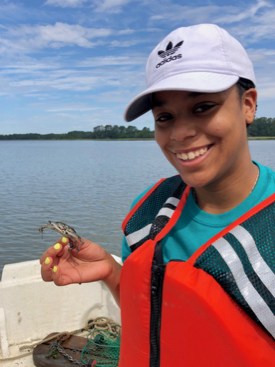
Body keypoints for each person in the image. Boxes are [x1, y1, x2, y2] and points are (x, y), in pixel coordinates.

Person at [40, 24, 275, 366]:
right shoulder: (148, 215)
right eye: (164, 117)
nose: (179, 133)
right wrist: (110, 271)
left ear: (249, 105)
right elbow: (154, 316)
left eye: (202, 107)